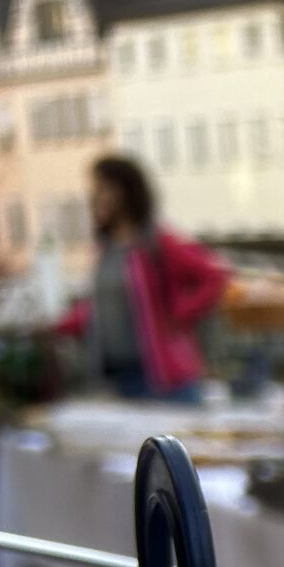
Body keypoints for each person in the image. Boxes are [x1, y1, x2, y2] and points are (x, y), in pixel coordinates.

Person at [57, 154, 227, 402]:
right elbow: (102, 308)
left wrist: (177, 316)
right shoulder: (106, 250)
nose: (97, 196)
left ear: (127, 192)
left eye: (105, 188)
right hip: (119, 380)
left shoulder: (157, 243)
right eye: (95, 188)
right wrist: (58, 326)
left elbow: (214, 277)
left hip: (163, 382)